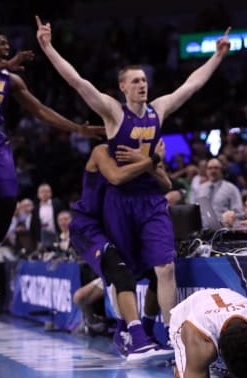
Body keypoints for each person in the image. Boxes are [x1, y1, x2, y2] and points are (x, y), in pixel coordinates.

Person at [36, 16, 231, 339]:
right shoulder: (113, 112)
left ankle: (173, 335)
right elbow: (78, 81)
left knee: (166, 267)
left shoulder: (158, 109)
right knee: (120, 272)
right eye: (135, 81)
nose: (143, 84)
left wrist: (217, 56)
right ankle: (129, 328)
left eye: (144, 80)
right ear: (123, 87)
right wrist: (47, 46)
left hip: (151, 199)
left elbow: (191, 85)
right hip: (120, 201)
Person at [0, 26, 102, 298]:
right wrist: (3, 64)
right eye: (0, 41)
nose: (6, 44)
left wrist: (77, 129)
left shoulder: (11, 80)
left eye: (8, 41)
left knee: (9, 199)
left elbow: (41, 110)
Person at [70, 142, 173, 360]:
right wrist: (151, 160)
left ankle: (143, 331)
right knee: (119, 273)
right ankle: (129, 334)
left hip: (117, 222)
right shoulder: (102, 151)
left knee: (156, 272)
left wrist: (145, 160)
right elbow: (116, 177)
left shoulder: (140, 154)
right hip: (89, 226)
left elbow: (166, 185)